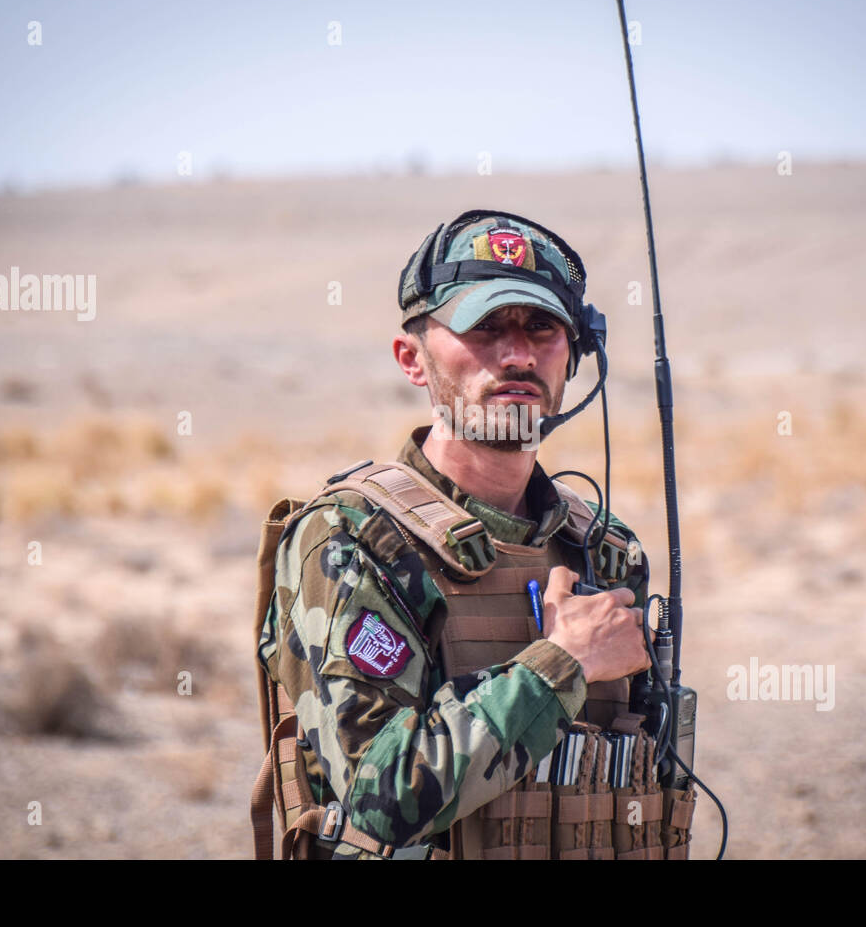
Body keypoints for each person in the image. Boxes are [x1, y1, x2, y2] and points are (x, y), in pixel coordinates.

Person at [253, 210, 696, 859]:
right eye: (484, 327)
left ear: (575, 354)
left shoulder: (604, 549)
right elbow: (378, 799)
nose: (517, 354)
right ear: (412, 358)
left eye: (541, 327)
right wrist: (561, 665)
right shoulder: (351, 539)